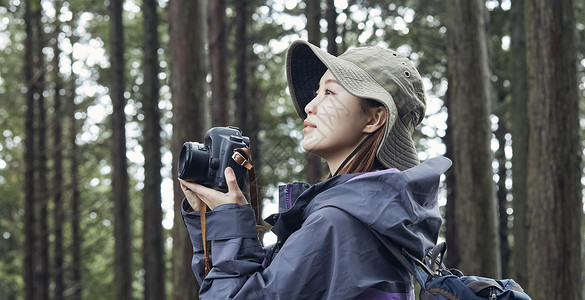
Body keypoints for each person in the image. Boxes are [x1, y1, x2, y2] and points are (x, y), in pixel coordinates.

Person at [179, 40, 451, 299]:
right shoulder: (374, 215)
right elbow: (249, 283)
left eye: (330, 92)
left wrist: (231, 223)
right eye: (316, 93)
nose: (309, 107)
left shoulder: (339, 223)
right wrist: (209, 218)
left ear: (374, 118)